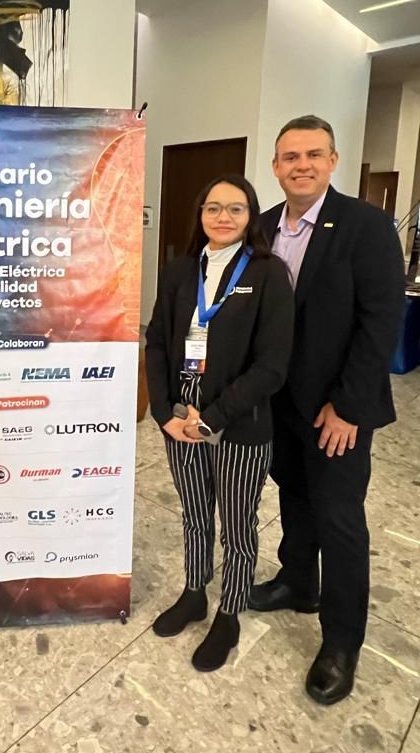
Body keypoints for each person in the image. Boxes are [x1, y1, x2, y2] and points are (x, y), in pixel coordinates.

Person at [249, 115, 405, 705]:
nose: (302, 165)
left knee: (340, 520)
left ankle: (342, 639)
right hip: (278, 402)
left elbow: (379, 323)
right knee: (292, 493)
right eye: (290, 156)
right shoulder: (261, 228)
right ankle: (296, 581)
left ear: (333, 160)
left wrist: (349, 406)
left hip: (336, 408)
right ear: (275, 166)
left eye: (314, 154)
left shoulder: (365, 225)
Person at [145, 174, 294, 671]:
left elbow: (272, 366)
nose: (223, 217)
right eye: (213, 208)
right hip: (178, 424)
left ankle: (228, 612)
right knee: (192, 514)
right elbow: (159, 343)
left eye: (235, 209)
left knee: (236, 525)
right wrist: (165, 412)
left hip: (238, 426)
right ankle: (194, 593)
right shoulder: (180, 271)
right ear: (200, 214)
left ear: (251, 216)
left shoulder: (270, 274)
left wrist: (209, 420)